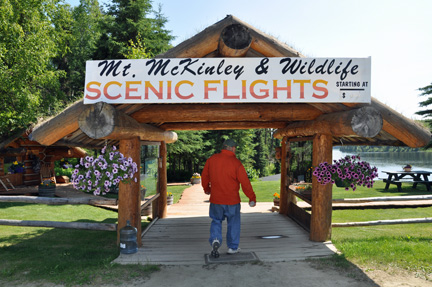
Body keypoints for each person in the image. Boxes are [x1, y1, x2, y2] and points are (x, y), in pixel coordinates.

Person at [201, 139, 256, 258]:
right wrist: (251, 197)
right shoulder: (236, 163)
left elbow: (204, 177)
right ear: (231, 148)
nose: (235, 149)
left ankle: (215, 239)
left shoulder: (211, 160)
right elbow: (245, 183)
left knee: (216, 221)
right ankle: (232, 247)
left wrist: (207, 189)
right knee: (233, 223)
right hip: (232, 201)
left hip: (216, 200)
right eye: (235, 147)